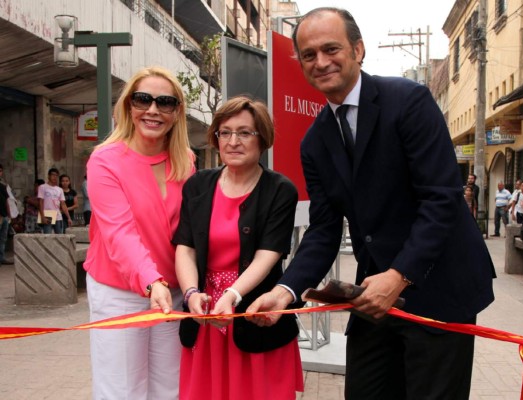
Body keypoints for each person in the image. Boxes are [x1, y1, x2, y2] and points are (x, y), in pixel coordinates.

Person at [246, 8, 495, 400]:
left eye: (331, 49)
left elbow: (441, 199)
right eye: (309, 55)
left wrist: (398, 277)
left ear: (358, 49)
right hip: (373, 297)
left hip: (440, 287)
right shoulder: (315, 141)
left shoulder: (408, 101)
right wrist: (285, 290)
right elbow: (325, 230)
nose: (321, 62)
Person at [173, 96, 303, 400]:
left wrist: (232, 295)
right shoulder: (198, 185)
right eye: (225, 132)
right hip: (205, 317)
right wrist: (191, 293)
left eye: (245, 132)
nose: (233, 141)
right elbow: (185, 247)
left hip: (254, 315)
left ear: (262, 138)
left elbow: (268, 255)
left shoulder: (280, 190)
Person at [83, 66, 195, 399]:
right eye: (143, 99)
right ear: (129, 107)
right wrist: (151, 281)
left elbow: (191, 232)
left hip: (172, 292)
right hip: (119, 292)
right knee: (122, 389)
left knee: (170, 388)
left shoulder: (185, 161)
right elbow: (120, 233)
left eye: (165, 102)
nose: (153, 110)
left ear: (177, 113)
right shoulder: (105, 160)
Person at [37, 168, 72, 234]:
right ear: (48, 176)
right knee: (48, 237)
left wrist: (68, 217)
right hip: (47, 215)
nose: (55, 177)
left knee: (60, 236)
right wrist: (42, 216)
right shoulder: (42, 187)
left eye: (56, 175)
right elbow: (40, 202)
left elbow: (63, 204)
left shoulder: (59, 190)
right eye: (53, 175)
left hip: (58, 216)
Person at [0, 164, 12, 265]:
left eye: (0, 171)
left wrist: (9, 214)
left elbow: (6, 201)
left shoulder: (3, 186)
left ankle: (1, 257)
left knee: (3, 237)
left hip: (4, 216)